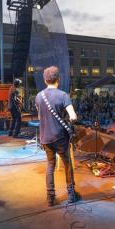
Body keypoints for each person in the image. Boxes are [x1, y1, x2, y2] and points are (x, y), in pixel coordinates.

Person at [35, 66, 79, 206]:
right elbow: (73, 116)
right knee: (67, 164)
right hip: (60, 137)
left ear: (45, 79)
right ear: (58, 79)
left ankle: (50, 197)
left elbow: (40, 116)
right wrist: (68, 120)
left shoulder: (39, 96)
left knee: (50, 165)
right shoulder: (63, 95)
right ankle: (71, 194)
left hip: (45, 136)